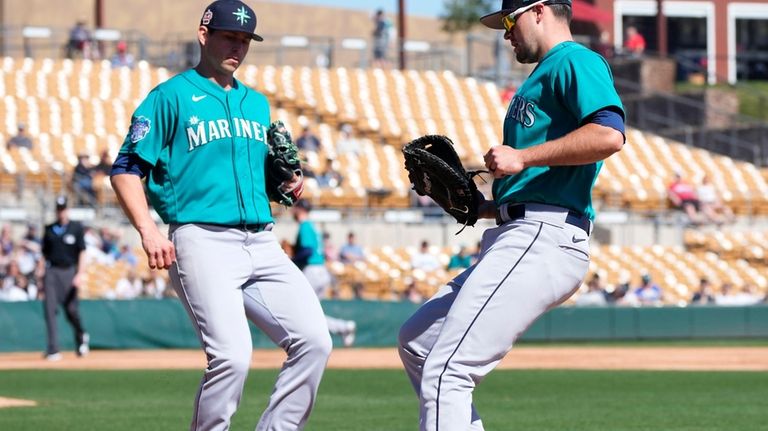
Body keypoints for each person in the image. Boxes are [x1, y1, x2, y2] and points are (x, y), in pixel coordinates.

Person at [397, 0, 625, 429]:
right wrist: (485, 206)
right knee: (419, 342)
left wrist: (522, 157)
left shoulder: (575, 60)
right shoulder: (543, 74)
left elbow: (609, 134)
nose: (505, 34)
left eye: (508, 21)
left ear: (538, 11)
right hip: (519, 228)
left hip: (542, 235)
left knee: (448, 373)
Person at [109, 2, 332, 429]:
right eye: (230, 36)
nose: (238, 46)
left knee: (315, 342)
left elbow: (258, 171)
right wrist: (148, 231)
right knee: (231, 356)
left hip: (263, 242)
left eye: (245, 40)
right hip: (203, 240)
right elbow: (126, 171)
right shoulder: (170, 97)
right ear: (204, 34)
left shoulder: (257, 104)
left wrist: (282, 183)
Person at [291, 199, 357, 347]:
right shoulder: (312, 227)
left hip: (312, 272)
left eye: (295, 208)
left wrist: (291, 260)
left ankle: (342, 328)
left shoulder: (305, 226)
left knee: (302, 312)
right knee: (311, 314)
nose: (292, 211)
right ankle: (343, 328)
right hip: (321, 271)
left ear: (300, 210)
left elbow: (307, 251)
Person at [41, 196, 89, 361]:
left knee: (71, 310)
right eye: (59, 209)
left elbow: (82, 251)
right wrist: (41, 271)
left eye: (63, 209)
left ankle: (81, 336)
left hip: (69, 271)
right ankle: (53, 348)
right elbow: (44, 253)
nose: (61, 212)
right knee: (49, 310)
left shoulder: (76, 228)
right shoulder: (49, 229)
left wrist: (80, 273)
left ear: (67, 210)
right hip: (52, 271)